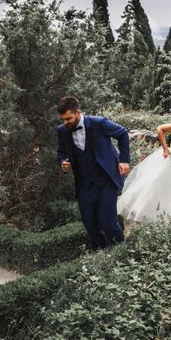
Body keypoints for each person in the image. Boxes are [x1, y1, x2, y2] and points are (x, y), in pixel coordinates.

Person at [56, 96, 130, 250]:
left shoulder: (99, 123)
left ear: (78, 112)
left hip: (106, 180)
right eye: (62, 119)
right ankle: (102, 254)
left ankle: (123, 252)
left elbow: (123, 133)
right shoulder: (62, 131)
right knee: (90, 225)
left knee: (108, 224)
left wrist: (124, 160)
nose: (65, 123)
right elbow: (61, 151)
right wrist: (62, 161)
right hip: (84, 184)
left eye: (68, 118)